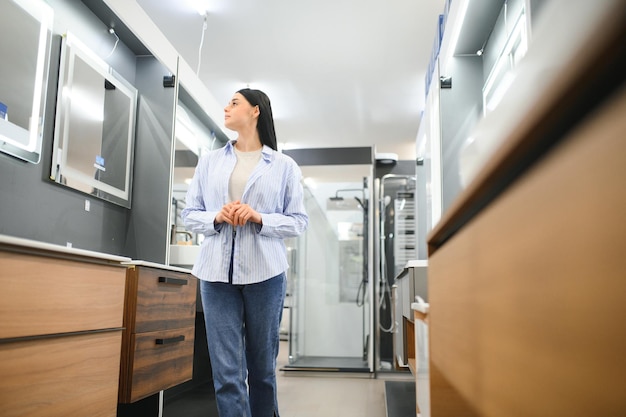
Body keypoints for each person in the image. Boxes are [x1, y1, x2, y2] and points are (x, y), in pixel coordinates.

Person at [181, 88, 308, 417]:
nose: (226, 107)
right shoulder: (209, 162)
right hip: (215, 276)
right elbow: (189, 213)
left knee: (262, 371)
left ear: (255, 111)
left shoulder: (283, 165)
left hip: (266, 275)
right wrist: (217, 216)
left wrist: (259, 217)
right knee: (226, 375)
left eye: (234, 102)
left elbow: (298, 222)